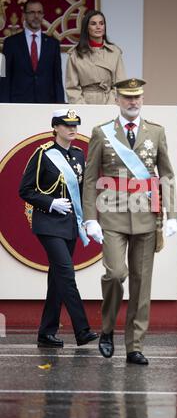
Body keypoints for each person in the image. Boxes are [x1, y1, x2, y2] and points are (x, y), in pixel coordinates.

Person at [83, 78, 177, 364]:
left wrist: (172, 215)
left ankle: (135, 345)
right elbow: (89, 180)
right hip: (111, 215)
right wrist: (90, 219)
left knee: (141, 282)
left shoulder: (156, 132)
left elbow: (167, 176)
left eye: (137, 97)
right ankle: (108, 329)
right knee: (115, 274)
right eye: (127, 98)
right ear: (117, 100)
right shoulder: (102, 133)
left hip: (147, 217)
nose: (133, 102)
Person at [19, 109, 98, 348]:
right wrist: (50, 202)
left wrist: (87, 220)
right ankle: (82, 330)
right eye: (66, 125)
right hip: (48, 224)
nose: (72, 129)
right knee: (66, 274)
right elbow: (25, 190)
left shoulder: (78, 155)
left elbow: (83, 192)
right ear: (55, 127)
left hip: (70, 225)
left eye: (75, 124)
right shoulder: (43, 154)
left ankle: (46, 332)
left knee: (57, 278)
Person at [0, 0, 64, 103]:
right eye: (32, 12)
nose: (36, 16)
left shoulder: (53, 44)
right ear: (24, 15)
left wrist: (60, 104)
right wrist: (3, 106)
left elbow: (57, 79)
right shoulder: (10, 43)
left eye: (39, 12)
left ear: (43, 15)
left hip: (46, 103)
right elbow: (4, 77)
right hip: (18, 104)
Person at [65, 10, 126, 104]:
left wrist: (110, 105)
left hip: (110, 102)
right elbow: (72, 88)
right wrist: (84, 109)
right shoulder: (75, 54)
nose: (98, 27)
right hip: (85, 103)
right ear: (86, 27)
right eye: (93, 24)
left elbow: (120, 84)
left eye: (101, 23)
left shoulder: (115, 52)